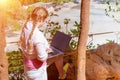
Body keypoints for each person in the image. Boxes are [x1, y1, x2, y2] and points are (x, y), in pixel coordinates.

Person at [19, 6, 68, 80]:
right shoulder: (38, 36)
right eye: (44, 20)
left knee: (59, 55)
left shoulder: (26, 27)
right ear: (41, 19)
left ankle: (62, 74)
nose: (44, 22)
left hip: (28, 67)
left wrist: (44, 46)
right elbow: (42, 57)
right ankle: (62, 74)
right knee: (58, 53)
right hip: (37, 72)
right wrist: (46, 51)